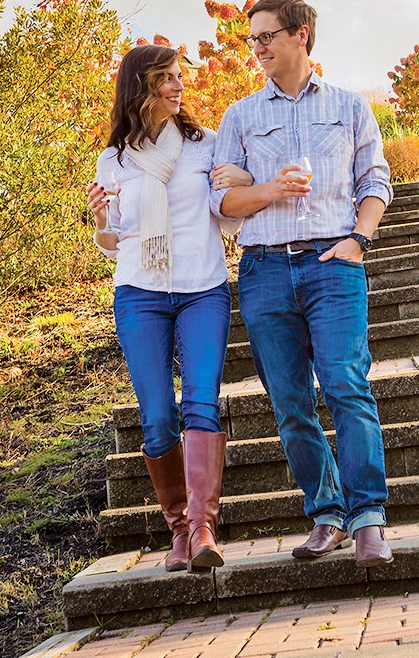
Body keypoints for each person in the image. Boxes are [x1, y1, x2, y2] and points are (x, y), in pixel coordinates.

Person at [210, 0, 395, 567]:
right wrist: (267, 187)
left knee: (345, 385)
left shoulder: (348, 106)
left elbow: (376, 180)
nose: (257, 48)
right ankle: (326, 514)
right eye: (252, 39)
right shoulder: (239, 116)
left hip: (331, 264)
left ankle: (367, 519)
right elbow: (222, 202)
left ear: (301, 37)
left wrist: (358, 240)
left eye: (266, 36)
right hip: (264, 270)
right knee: (290, 402)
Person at [85, 43, 252, 573]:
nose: (180, 86)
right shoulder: (112, 159)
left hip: (203, 288)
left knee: (200, 404)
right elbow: (115, 239)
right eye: (168, 79)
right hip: (140, 293)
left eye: (181, 77)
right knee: (157, 419)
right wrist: (97, 223)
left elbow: (227, 206)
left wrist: (244, 182)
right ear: (142, 86)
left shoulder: (205, 145)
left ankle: (203, 530)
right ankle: (177, 530)